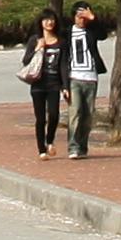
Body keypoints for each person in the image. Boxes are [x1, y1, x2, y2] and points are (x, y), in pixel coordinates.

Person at [16, 14, 71, 157]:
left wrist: (65, 86)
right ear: (40, 23)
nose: (49, 22)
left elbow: (64, 65)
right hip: (38, 84)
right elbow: (25, 61)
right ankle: (41, 149)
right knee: (40, 119)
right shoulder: (35, 40)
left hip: (54, 84)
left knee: (54, 115)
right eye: (46, 20)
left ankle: (50, 140)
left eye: (52, 19)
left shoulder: (61, 42)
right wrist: (37, 48)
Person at [63, 3, 111, 158]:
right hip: (73, 78)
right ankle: (73, 147)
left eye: (84, 17)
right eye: (79, 17)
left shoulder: (91, 31)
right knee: (75, 112)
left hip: (91, 77)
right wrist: (63, 84)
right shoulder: (67, 33)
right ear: (73, 17)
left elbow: (103, 35)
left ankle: (83, 147)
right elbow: (63, 58)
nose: (82, 20)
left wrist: (93, 18)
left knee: (88, 115)